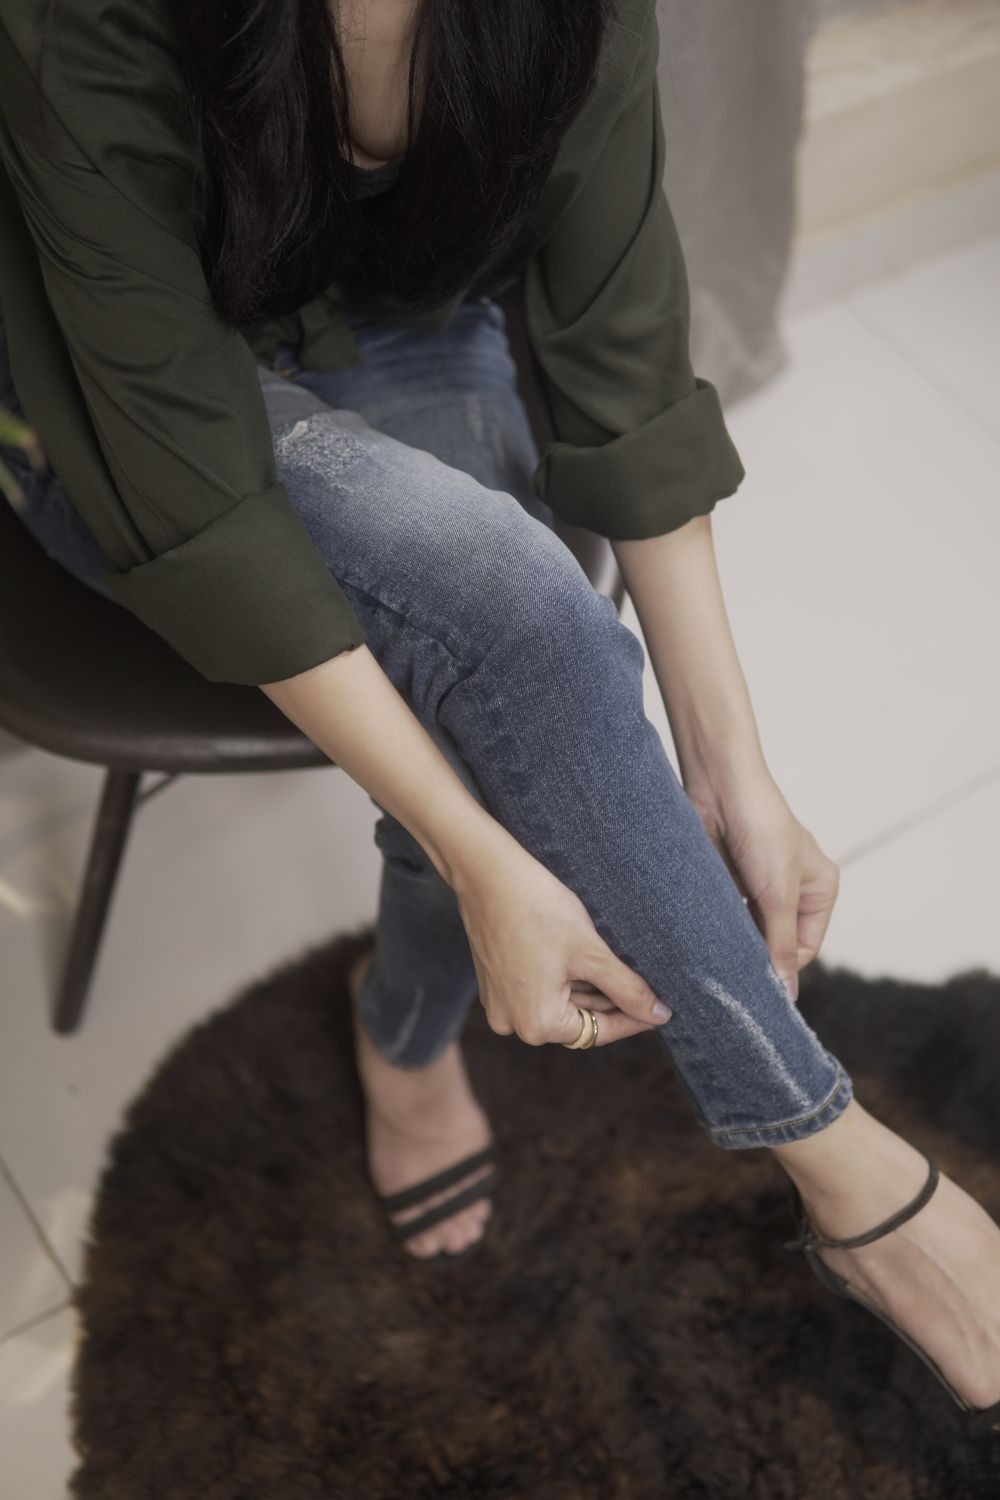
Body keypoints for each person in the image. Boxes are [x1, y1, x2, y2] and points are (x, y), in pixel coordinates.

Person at [1, 0, 998, 1427]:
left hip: (398, 331)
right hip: (117, 416)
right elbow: (187, 478)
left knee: (521, 670)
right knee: (512, 610)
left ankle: (404, 1035)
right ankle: (855, 1182)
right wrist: (472, 853)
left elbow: (620, 360)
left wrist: (734, 767)